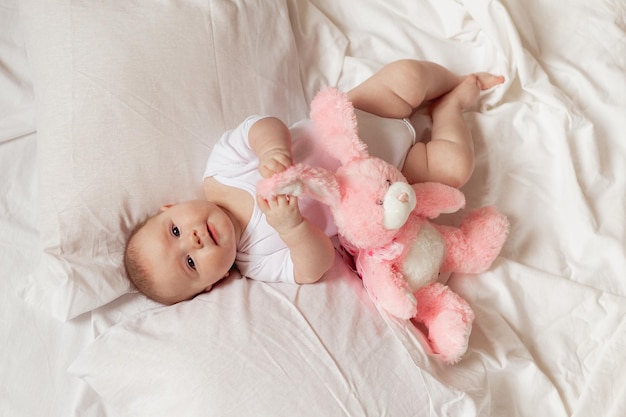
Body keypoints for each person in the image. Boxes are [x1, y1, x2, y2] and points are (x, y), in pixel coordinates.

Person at [124, 59, 505, 305]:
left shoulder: (220, 172)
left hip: (360, 114)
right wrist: (292, 229)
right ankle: (452, 107)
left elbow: (262, 125)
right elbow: (317, 264)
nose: (193, 240)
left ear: (170, 207)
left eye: (174, 230)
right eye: (190, 262)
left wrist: (272, 149)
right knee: (454, 168)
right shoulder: (257, 260)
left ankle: (454, 79)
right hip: (394, 175)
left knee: (406, 76)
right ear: (211, 285)